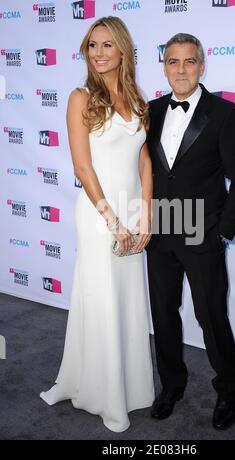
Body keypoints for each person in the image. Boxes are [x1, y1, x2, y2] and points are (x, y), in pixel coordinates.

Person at [40, 16, 154, 433]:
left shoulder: (137, 97)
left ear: (123, 49)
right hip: (98, 212)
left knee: (126, 299)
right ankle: (106, 400)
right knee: (101, 297)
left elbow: (143, 158)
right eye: (93, 45)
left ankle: (129, 386)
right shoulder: (79, 97)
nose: (100, 53)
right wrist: (112, 220)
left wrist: (147, 209)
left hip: (132, 211)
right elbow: (82, 166)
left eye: (107, 45)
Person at [146, 33, 235, 430]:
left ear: (202, 65)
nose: (181, 69)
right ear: (165, 67)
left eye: (189, 61)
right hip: (158, 230)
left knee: (211, 315)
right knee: (163, 314)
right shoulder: (151, 111)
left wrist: (222, 233)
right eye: (173, 61)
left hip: (201, 230)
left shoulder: (225, 114)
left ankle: (228, 389)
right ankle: (171, 386)